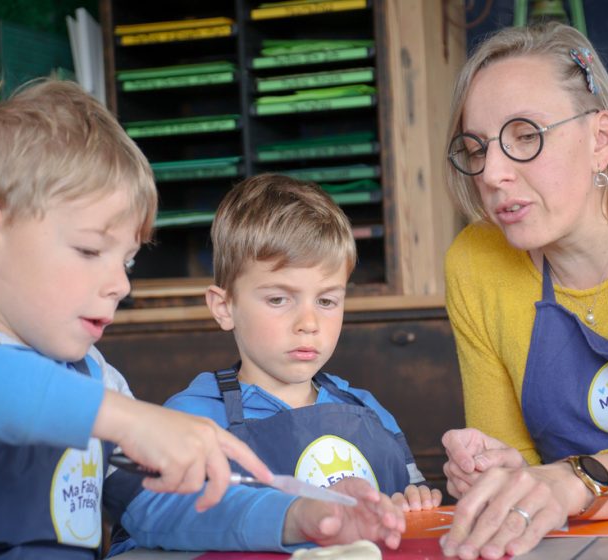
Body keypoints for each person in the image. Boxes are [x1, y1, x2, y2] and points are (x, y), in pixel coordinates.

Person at [0, 79, 273, 558]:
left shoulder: (99, 378)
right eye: (90, 249)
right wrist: (129, 421)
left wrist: (294, 516)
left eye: (128, 260)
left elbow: (163, 508)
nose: (121, 283)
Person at [439, 22, 608, 560]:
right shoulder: (474, 264)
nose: (492, 174)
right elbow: (517, 458)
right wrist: (496, 472)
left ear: (601, 140)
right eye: (476, 149)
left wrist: (571, 483)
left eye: (526, 136)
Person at [110, 174, 439, 555]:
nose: (309, 323)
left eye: (327, 302)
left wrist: (414, 502)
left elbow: (410, 496)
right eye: (279, 299)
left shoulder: (369, 411)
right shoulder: (190, 418)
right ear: (224, 307)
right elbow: (148, 515)